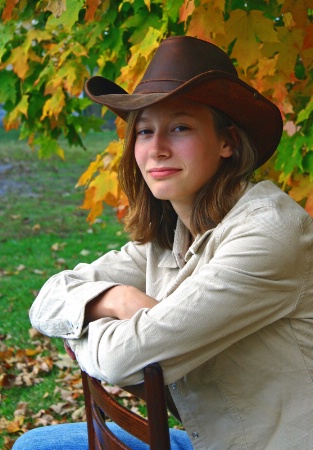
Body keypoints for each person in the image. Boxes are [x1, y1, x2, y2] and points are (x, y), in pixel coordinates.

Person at [13, 36, 313, 450]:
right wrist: (115, 300)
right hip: (206, 434)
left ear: (227, 142)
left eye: (180, 127)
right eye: (145, 131)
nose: (156, 149)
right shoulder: (173, 237)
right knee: (37, 444)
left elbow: (120, 361)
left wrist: (80, 328)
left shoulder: (269, 236)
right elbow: (46, 299)